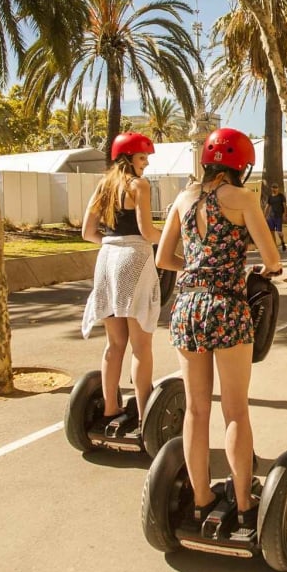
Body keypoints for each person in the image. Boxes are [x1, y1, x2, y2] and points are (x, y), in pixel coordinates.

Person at [156, 128, 283, 531]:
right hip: (227, 306)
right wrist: (262, 270)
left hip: (186, 306)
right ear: (241, 166)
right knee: (235, 410)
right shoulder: (242, 199)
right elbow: (272, 259)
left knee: (195, 408)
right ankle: (244, 503)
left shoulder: (182, 198)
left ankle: (200, 498)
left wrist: (196, 269)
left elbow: (164, 257)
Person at [81, 132, 162, 437]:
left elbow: (87, 232)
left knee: (115, 343)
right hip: (134, 258)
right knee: (141, 345)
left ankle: (110, 409)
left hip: (107, 259)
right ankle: (143, 416)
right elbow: (146, 231)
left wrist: (112, 242)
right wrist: (175, 239)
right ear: (128, 158)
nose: (146, 163)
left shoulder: (103, 186)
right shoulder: (138, 185)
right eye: (143, 157)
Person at [264, 183, 287, 252]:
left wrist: (284, 215)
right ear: (271, 188)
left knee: (279, 232)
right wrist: (264, 216)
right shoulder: (270, 197)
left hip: (279, 217)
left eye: (276, 187)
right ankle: (275, 247)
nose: (274, 189)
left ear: (278, 188)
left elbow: (284, 206)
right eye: (273, 187)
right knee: (272, 232)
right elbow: (267, 206)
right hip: (271, 217)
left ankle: (282, 242)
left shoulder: (281, 196)